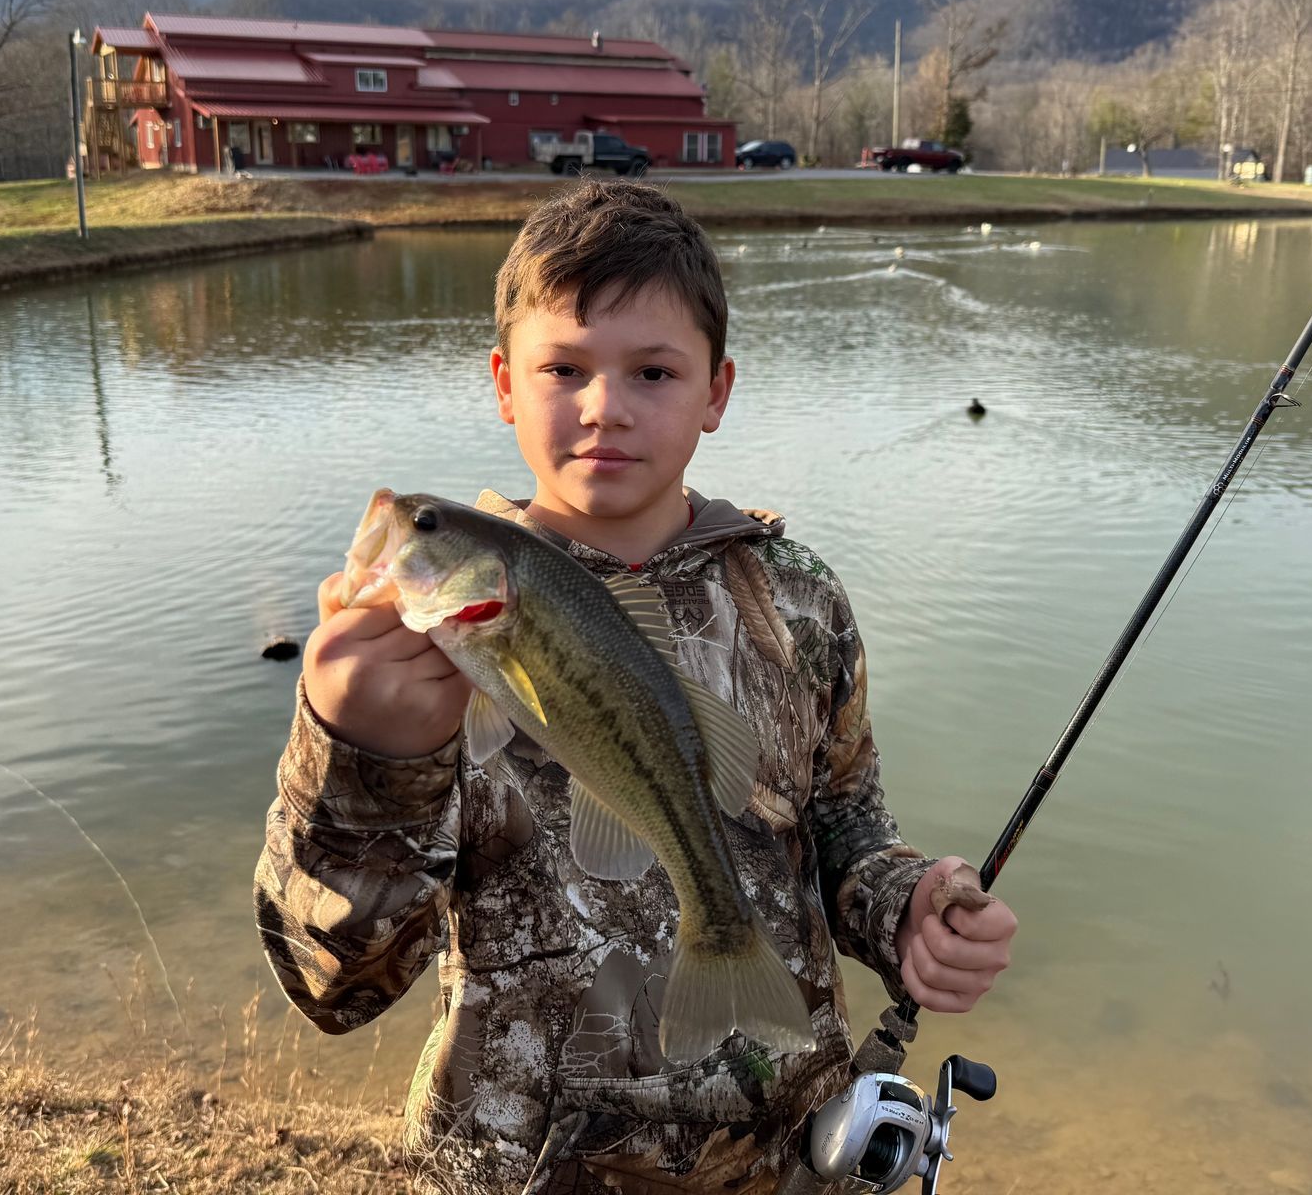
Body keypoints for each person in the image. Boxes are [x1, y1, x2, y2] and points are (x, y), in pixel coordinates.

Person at [255, 180, 1018, 1193]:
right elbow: (333, 990)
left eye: (653, 371)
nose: (604, 407)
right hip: (521, 1171)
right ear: (504, 383)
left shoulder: (802, 601)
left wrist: (904, 907)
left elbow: (844, 826)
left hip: (781, 1162)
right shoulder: (413, 653)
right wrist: (360, 756)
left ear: (717, 391)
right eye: (563, 368)